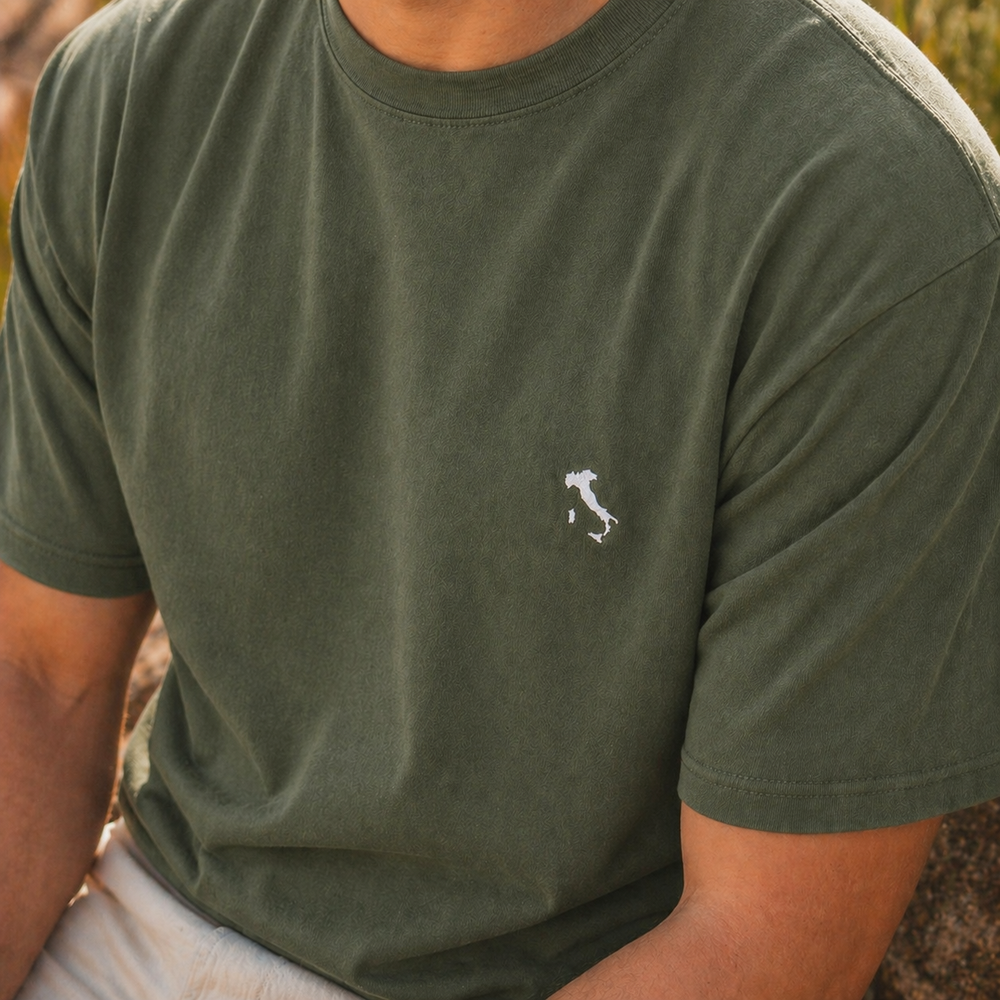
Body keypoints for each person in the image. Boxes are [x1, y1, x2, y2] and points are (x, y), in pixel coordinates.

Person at [1, 0, 999, 996]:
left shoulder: (871, 204)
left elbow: (765, 942)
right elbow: (39, 678)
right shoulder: (129, 89)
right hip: (141, 931)